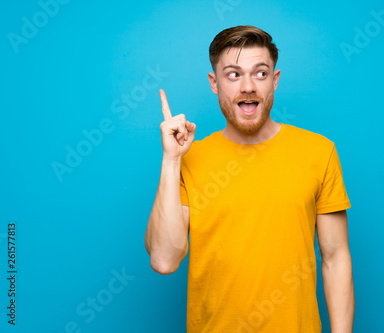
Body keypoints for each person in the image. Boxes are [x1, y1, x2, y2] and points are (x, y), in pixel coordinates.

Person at [145, 25, 354, 333]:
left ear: (274, 80)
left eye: (260, 73)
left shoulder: (319, 152)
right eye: (233, 74)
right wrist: (171, 159)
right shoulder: (188, 158)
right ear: (214, 83)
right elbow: (164, 260)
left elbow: (335, 258)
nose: (247, 87)